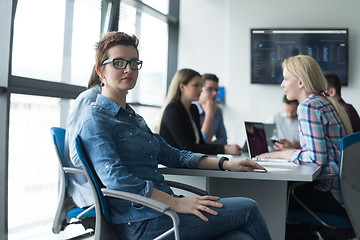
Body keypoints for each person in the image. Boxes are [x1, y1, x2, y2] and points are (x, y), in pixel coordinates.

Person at [74, 31, 271, 240]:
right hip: (141, 222)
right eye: (119, 63)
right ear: (100, 71)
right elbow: (117, 180)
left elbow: (175, 156)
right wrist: (176, 203)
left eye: (133, 62)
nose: (128, 69)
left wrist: (225, 164)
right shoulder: (94, 119)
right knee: (249, 208)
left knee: (241, 238)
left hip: (162, 211)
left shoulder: (133, 118)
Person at [257, 55, 353, 239]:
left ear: (300, 82)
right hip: (346, 194)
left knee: (273, 200)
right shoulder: (325, 102)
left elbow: (317, 158)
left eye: (285, 79)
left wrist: (284, 154)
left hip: (331, 195)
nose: (282, 84)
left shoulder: (308, 107)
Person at [158, 68, 242, 155]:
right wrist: (224, 149)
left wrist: (225, 148)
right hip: (173, 165)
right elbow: (188, 147)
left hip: (189, 161)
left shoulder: (193, 109)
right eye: (196, 85)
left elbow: (200, 143)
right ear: (182, 87)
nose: (201, 90)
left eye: (201, 86)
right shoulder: (173, 109)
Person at [64, 65, 101, 207]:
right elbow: (76, 158)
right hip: (90, 187)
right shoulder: (89, 99)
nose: (127, 70)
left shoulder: (110, 102)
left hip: (104, 182)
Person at [193, 73, 228, 144]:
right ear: (200, 89)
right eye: (209, 89)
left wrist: (212, 145)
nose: (215, 93)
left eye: (216, 90)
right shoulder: (191, 108)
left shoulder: (217, 110)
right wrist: (209, 114)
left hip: (208, 153)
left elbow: (223, 139)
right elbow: (200, 142)